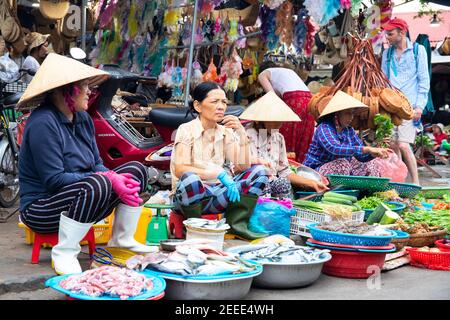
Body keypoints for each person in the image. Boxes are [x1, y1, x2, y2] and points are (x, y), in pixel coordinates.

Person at [17, 53, 156, 275]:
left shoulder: (82, 119)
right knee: (98, 181)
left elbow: (97, 164)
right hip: (42, 209)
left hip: (83, 198)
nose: (90, 91)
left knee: (136, 170)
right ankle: (64, 251)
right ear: (66, 90)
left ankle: (121, 240)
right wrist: (107, 178)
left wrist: (115, 178)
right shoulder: (43, 122)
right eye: (83, 86)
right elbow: (54, 181)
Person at [170, 81, 269, 240]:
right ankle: (195, 229)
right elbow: (180, 169)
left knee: (259, 172)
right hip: (189, 197)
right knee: (190, 179)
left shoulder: (225, 133)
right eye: (214, 102)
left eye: (224, 102)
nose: (221, 106)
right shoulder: (186, 130)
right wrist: (217, 173)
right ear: (198, 106)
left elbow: (243, 165)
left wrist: (241, 133)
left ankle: (237, 225)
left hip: (217, 195)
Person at [240, 91, 329, 198]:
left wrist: (311, 183)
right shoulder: (246, 135)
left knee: (283, 184)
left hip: (273, 182)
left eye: (281, 120)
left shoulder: (278, 138)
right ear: (260, 120)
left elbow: (284, 172)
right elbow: (240, 167)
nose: (279, 124)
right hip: (250, 183)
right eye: (275, 120)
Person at [381, 18, 430, 185]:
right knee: (393, 145)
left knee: (403, 144)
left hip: (410, 107)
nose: (387, 37)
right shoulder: (387, 53)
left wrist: (419, 107)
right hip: (390, 105)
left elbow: (424, 81)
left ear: (402, 33)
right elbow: (384, 80)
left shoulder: (418, 50)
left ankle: (416, 183)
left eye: (390, 33)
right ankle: (400, 182)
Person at [304, 91, 390, 176]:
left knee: (370, 164)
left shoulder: (349, 131)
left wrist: (374, 152)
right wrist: (367, 149)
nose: (351, 117)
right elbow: (334, 148)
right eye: (348, 113)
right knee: (342, 164)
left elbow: (361, 157)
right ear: (337, 114)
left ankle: (366, 189)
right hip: (314, 172)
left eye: (352, 113)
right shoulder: (324, 128)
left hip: (337, 174)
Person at [257, 61, 314, 163]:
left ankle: (283, 164)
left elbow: (273, 98)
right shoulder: (287, 72)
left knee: (284, 135)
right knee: (302, 139)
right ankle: (298, 168)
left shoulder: (263, 74)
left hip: (294, 100)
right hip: (309, 101)